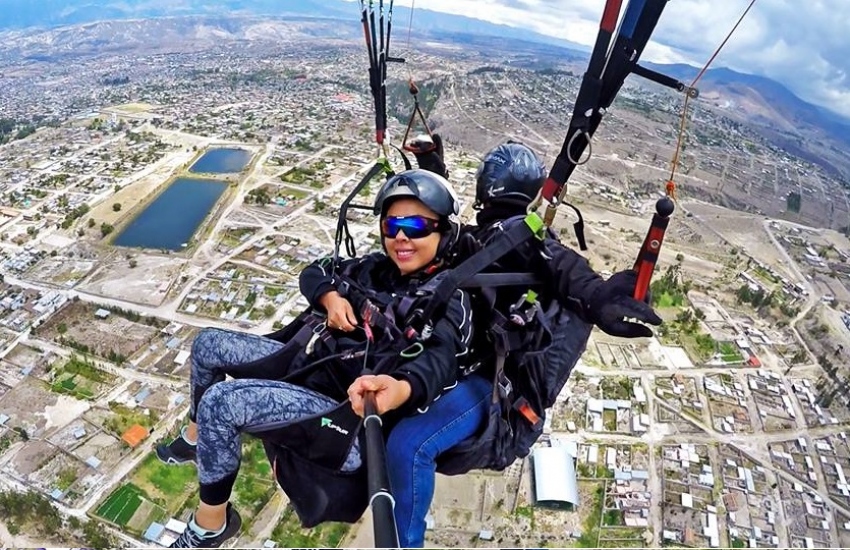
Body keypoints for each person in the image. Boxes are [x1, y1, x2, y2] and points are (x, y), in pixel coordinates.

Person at [155, 169, 474, 548]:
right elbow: (316, 271)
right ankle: (195, 440)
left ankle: (211, 525)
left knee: (221, 403)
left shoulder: (448, 297)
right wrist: (329, 297)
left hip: (344, 414)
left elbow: (441, 358)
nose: (401, 236)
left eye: (418, 225)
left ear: (444, 230)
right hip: (310, 367)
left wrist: (400, 388)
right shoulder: (375, 268)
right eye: (392, 225)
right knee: (207, 345)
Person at [387, 139, 663, 547]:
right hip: (462, 364)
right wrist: (433, 168)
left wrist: (596, 296)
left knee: (410, 447)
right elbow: (461, 238)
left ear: (486, 188)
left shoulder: (518, 234)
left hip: (491, 385)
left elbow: (557, 262)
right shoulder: (494, 235)